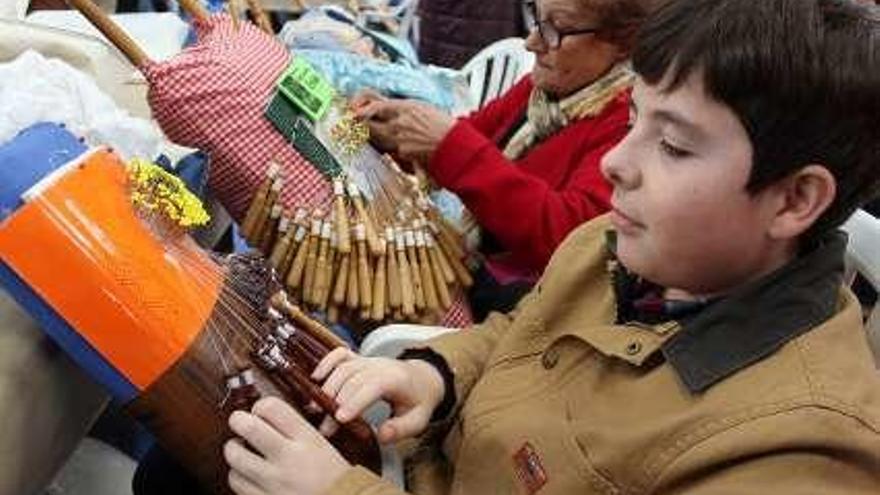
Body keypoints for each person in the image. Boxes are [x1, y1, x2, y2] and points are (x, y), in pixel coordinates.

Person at [222, 0, 880, 493]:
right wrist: (434, 374)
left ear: (795, 201)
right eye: (631, 121)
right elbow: (522, 328)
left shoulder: (792, 454)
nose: (618, 161)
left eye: (674, 145)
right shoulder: (619, 246)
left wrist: (337, 489)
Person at [354, 0, 653, 320]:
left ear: (623, 42)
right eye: (536, 18)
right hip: (478, 271)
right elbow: (473, 133)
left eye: (556, 28)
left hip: (528, 313)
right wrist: (396, 130)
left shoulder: (629, 123)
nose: (532, 42)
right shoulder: (545, 89)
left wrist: (450, 146)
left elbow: (569, 237)